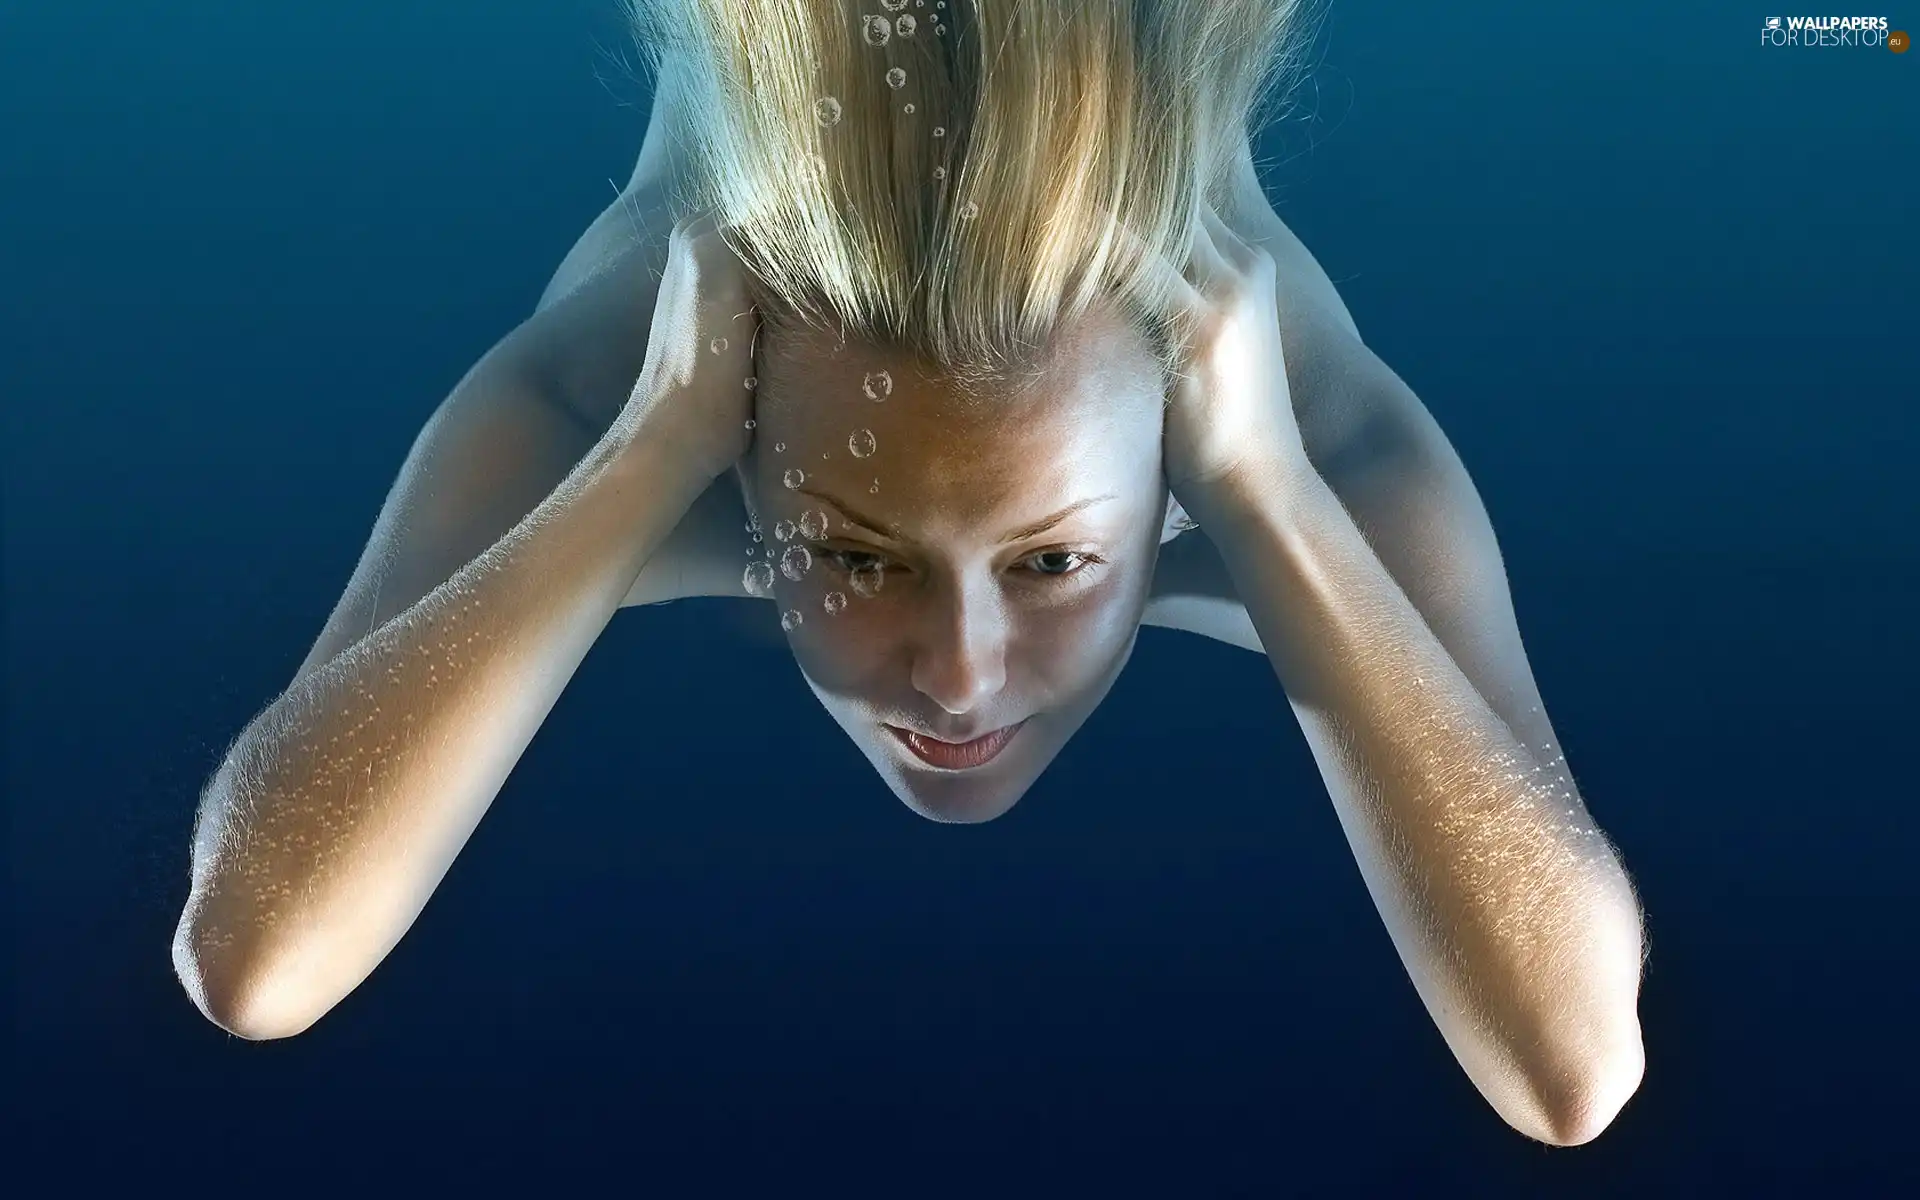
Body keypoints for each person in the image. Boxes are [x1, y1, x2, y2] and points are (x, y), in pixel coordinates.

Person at [172, 0, 1647, 1147]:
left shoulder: (1302, 441)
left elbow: (1574, 1065)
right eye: (849, 553)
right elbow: (254, 959)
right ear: (736, 448)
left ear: (1178, 477)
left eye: (1060, 558)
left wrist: (1270, 496)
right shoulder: (602, 394)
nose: (960, 676)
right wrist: (643, 449)